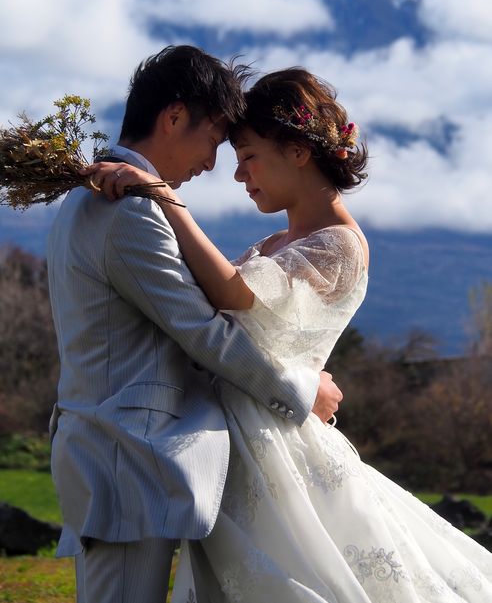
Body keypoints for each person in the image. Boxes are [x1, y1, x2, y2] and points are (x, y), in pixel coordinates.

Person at [88, 67, 492, 602]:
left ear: (298, 150)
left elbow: (233, 296)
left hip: (277, 445)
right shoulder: (275, 240)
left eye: (249, 157)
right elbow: (203, 298)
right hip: (234, 436)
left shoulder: (340, 245)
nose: (238, 175)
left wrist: (163, 198)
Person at [46, 47, 343, 603]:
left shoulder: (104, 193)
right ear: (175, 116)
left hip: (114, 456)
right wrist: (304, 390)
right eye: (214, 139)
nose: (213, 164)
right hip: (124, 460)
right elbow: (205, 333)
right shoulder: (127, 209)